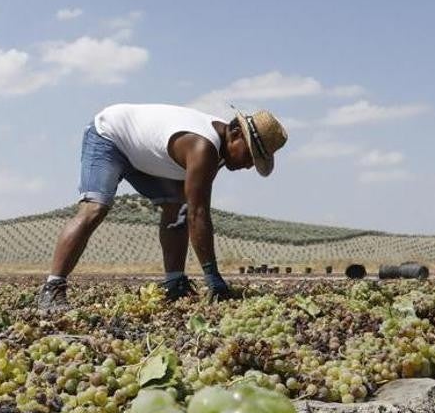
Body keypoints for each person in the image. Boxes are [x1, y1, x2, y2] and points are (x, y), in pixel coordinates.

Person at [38, 103, 288, 311]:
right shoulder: (203, 147)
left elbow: (188, 208)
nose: (248, 165)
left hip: (142, 156)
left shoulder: (219, 147)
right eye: (249, 156)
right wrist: (212, 275)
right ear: (235, 134)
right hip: (110, 137)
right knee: (95, 208)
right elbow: (198, 212)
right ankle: (52, 289)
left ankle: (174, 283)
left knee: (176, 209)